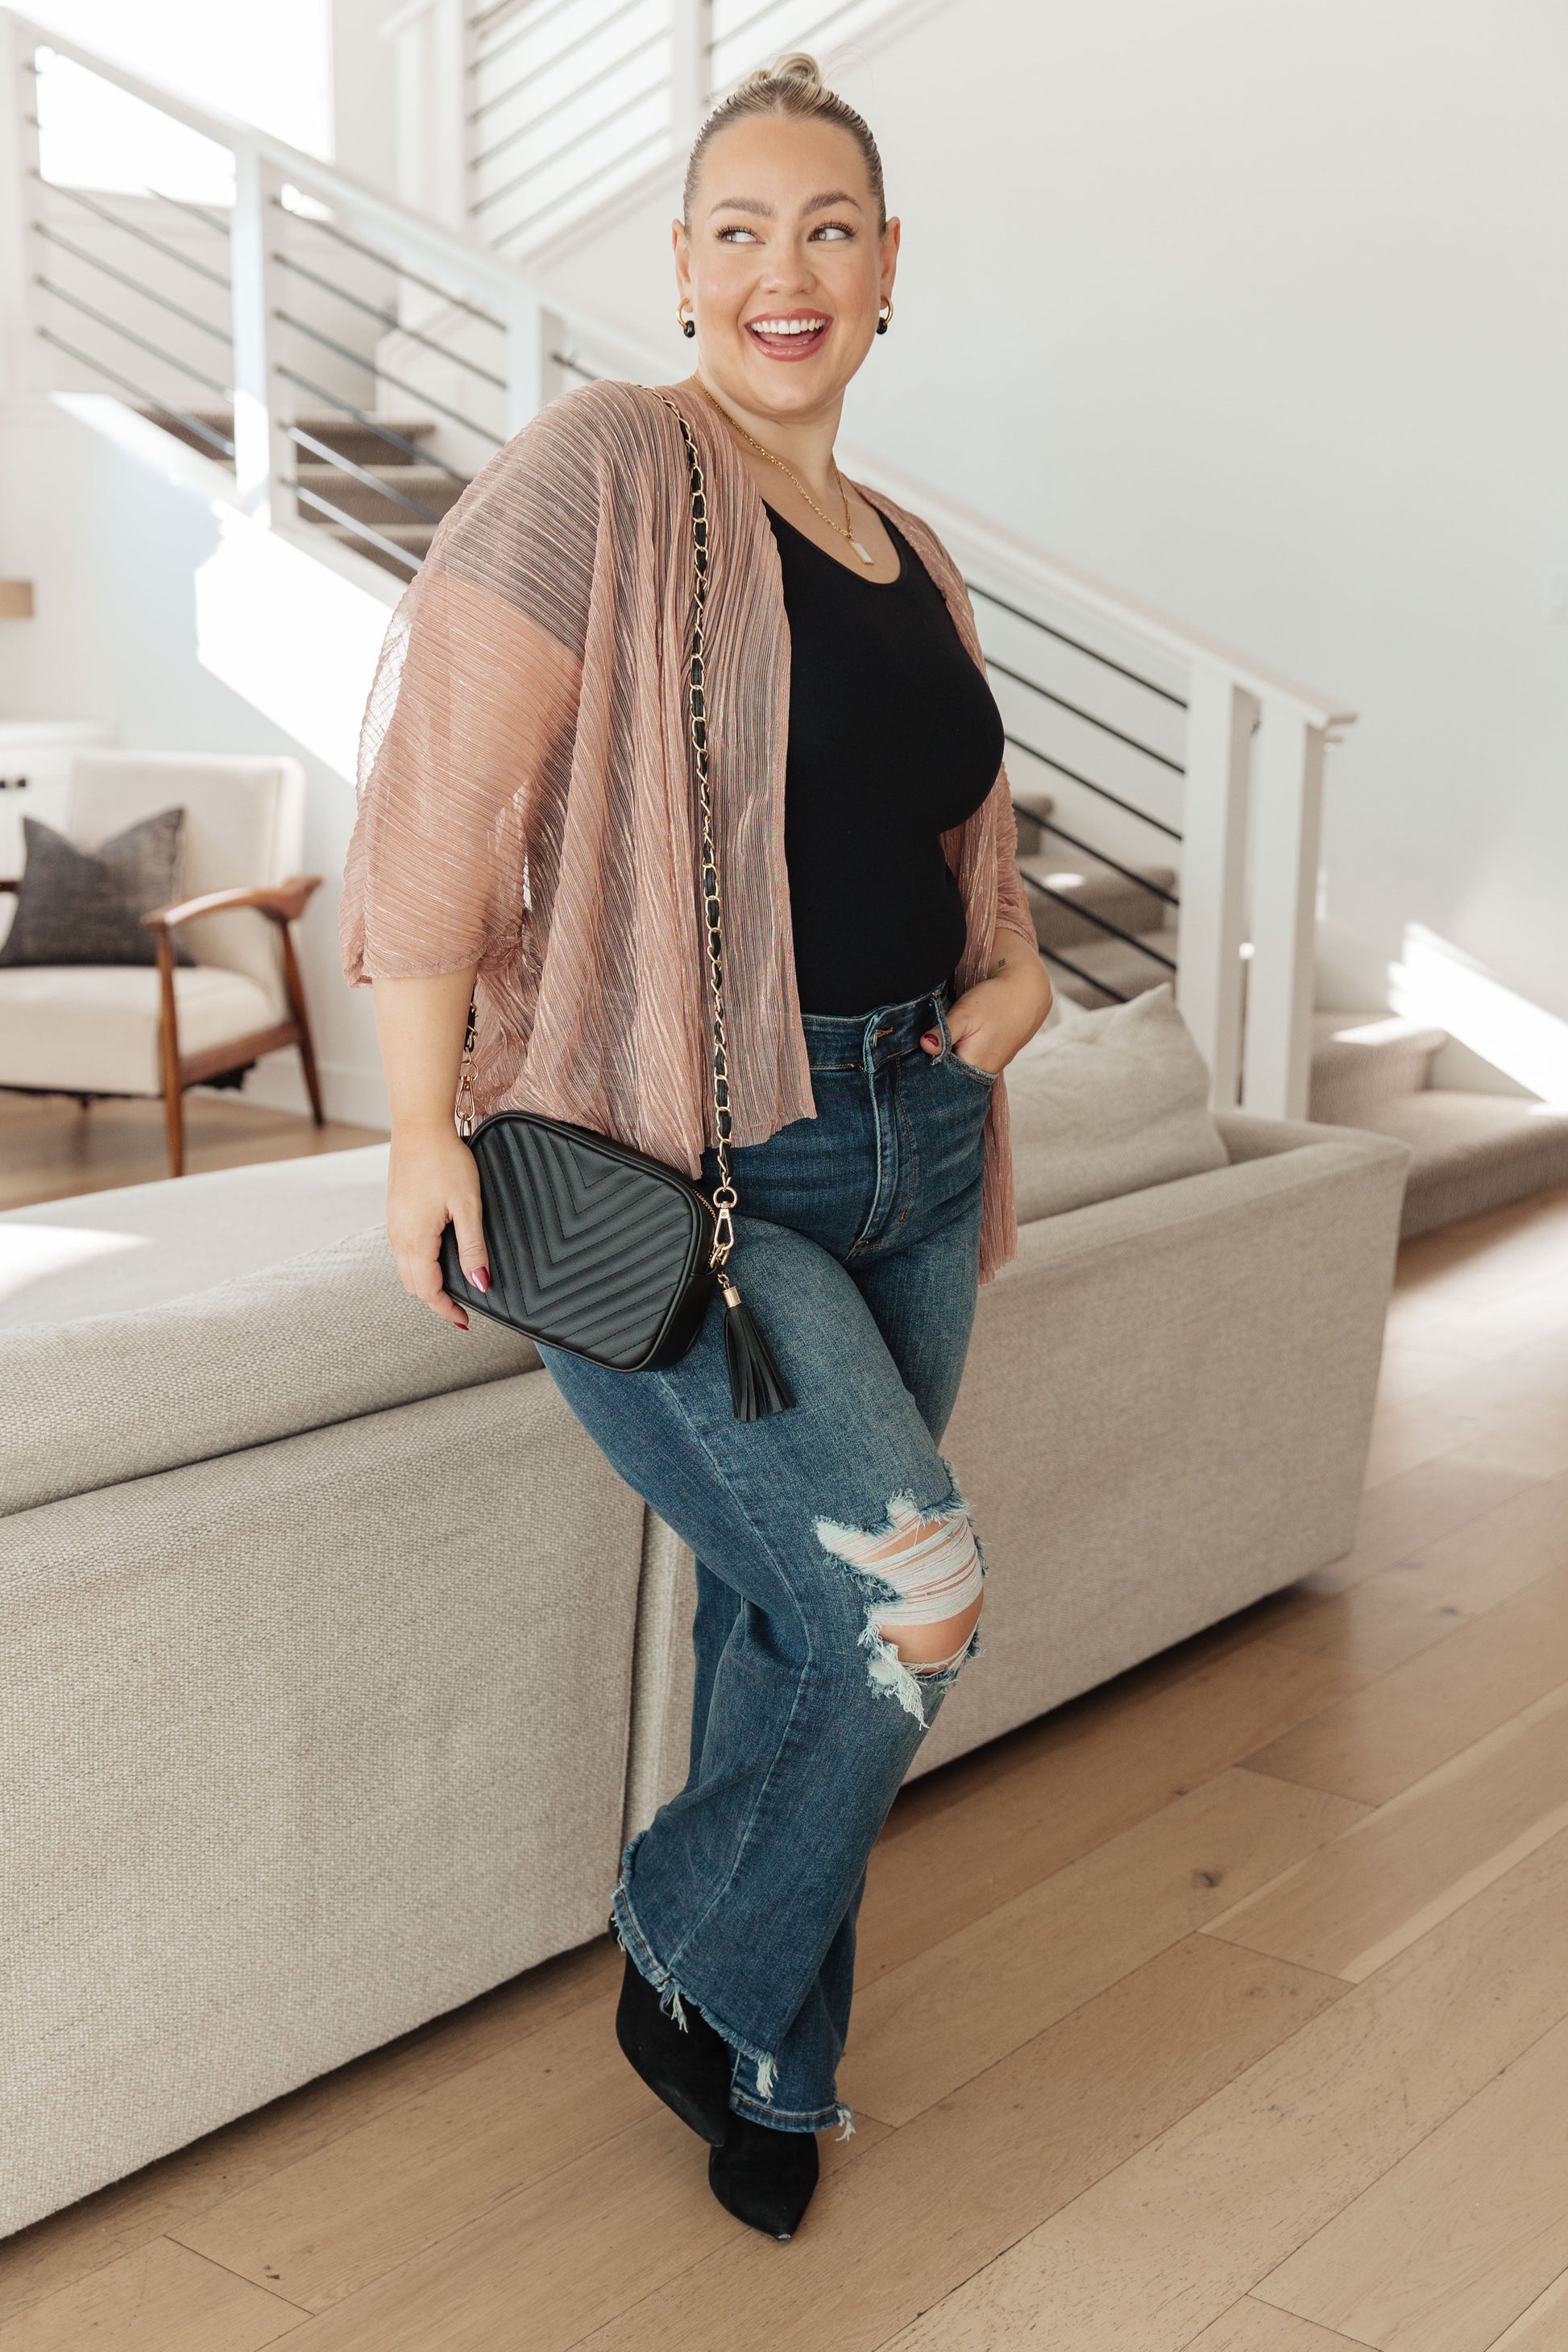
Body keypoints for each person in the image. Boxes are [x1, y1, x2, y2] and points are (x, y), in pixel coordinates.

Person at [341, 51, 1052, 2242]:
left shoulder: (912, 552)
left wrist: (1012, 991)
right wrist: (417, 1130)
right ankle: (687, 1943)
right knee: (906, 1604)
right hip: (690, 1164)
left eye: (826, 229)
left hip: (918, 1142)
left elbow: (965, 840)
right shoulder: (602, 472)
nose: (783, 270)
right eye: (738, 230)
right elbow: (439, 805)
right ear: (677, 267)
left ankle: (773, 2067)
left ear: (888, 268)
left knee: (791, 1613)